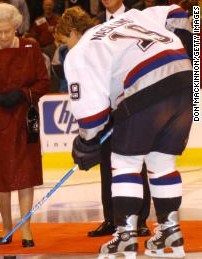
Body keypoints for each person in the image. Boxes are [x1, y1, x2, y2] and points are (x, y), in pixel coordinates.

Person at [57, 5, 192, 258]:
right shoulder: (132, 17)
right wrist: (186, 48)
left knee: (125, 162)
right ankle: (170, 233)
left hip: (143, 87)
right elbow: (177, 12)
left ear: (74, 33)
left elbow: (92, 115)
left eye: (65, 41)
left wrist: (86, 143)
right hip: (185, 80)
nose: (67, 48)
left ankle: (125, 238)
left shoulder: (81, 51)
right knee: (162, 162)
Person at [0, 3, 49, 248]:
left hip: (26, 118)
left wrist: (25, 93)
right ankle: (6, 226)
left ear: (16, 27)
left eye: (7, 31)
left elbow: (43, 81)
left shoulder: (31, 47)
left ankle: (25, 227)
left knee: (26, 175)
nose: (2, 37)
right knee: (0, 176)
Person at [88, 0, 152, 238]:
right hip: (104, 104)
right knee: (107, 164)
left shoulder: (137, 20)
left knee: (136, 163)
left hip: (133, 102)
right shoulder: (94, 26)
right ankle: (111, 219)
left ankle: (140, 219)